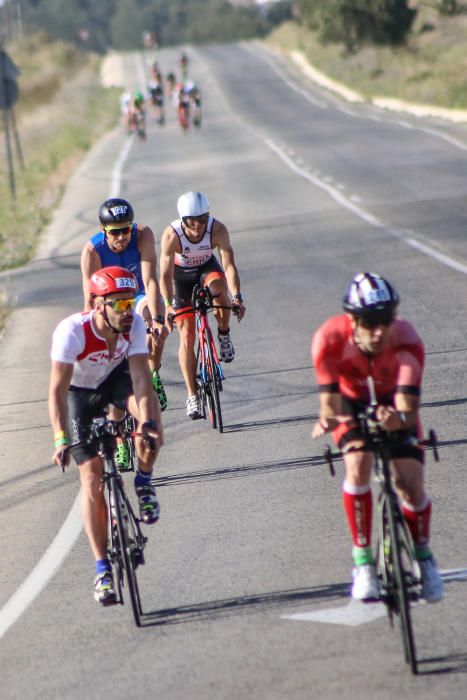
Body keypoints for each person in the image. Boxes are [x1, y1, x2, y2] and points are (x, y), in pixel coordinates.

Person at [311, 272, 443, 603]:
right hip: (349, 404)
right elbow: (329, 405)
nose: (380, 330)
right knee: (357, 464)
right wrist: (332, 420)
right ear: (353, 320)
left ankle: (425, 558)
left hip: (393, 403)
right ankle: (363, 563)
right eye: (371, 322)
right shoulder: (328, 339)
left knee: (410, 484)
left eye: (385, 319)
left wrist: (396, 418)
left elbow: (408, 409)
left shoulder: (407, 339)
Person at [49, 266, 163, 605]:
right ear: (99, 306)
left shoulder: (135, 325)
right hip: (80, 394)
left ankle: (143, 481)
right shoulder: (72, 332)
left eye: (131, 302)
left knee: (151, 424)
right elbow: (56, 391)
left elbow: (142, 378)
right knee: (92, 478)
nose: (129, 312)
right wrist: (59, 437)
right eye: (121, 305)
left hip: (116, 381)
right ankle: (101, 569)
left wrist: (147, 424)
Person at [81, 198, 168, 472]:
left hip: (136, 295)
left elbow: (151, 280)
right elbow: (90, 301)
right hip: (108, 303)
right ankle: (120, 444)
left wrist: (157, 319)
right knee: (111, 374)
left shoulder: (143, 236)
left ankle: (153, 372)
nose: (121, 237)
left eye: (125, 230)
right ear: (103, 230)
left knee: (154, 323)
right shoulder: (92, 251)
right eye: (114, 232)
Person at [160, 191, 246, 419]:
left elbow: (229, 266)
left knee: (219, 289)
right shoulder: (172, 235)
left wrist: (236, 296)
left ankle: (223, 334)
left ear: (208, 216)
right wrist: (169, 305)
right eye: (191, 221)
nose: (197, 226)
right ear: (182, 220)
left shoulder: (217, 230)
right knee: (187, 336)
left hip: (207, 269)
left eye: (202, 219)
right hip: (181, 278)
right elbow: (165, 275)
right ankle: (192, 395)